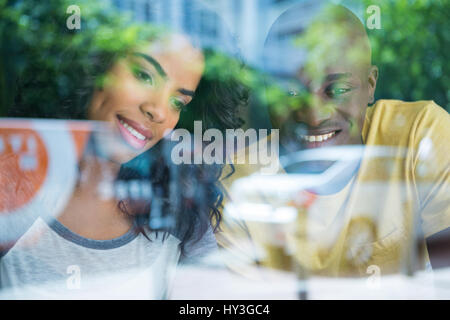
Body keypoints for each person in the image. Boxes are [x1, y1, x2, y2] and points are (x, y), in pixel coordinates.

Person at [0, 7, 246, 298]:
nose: (157, 110)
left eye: (177, 102)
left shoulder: (178, 208)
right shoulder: (12, 191)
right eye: (144, 75)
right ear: (96, 66)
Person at [218, 2, 450, 278]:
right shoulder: (241, 181)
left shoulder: (418, 136)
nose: (314, 116)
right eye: (290, 93)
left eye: (337, 89)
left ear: (370, 86)